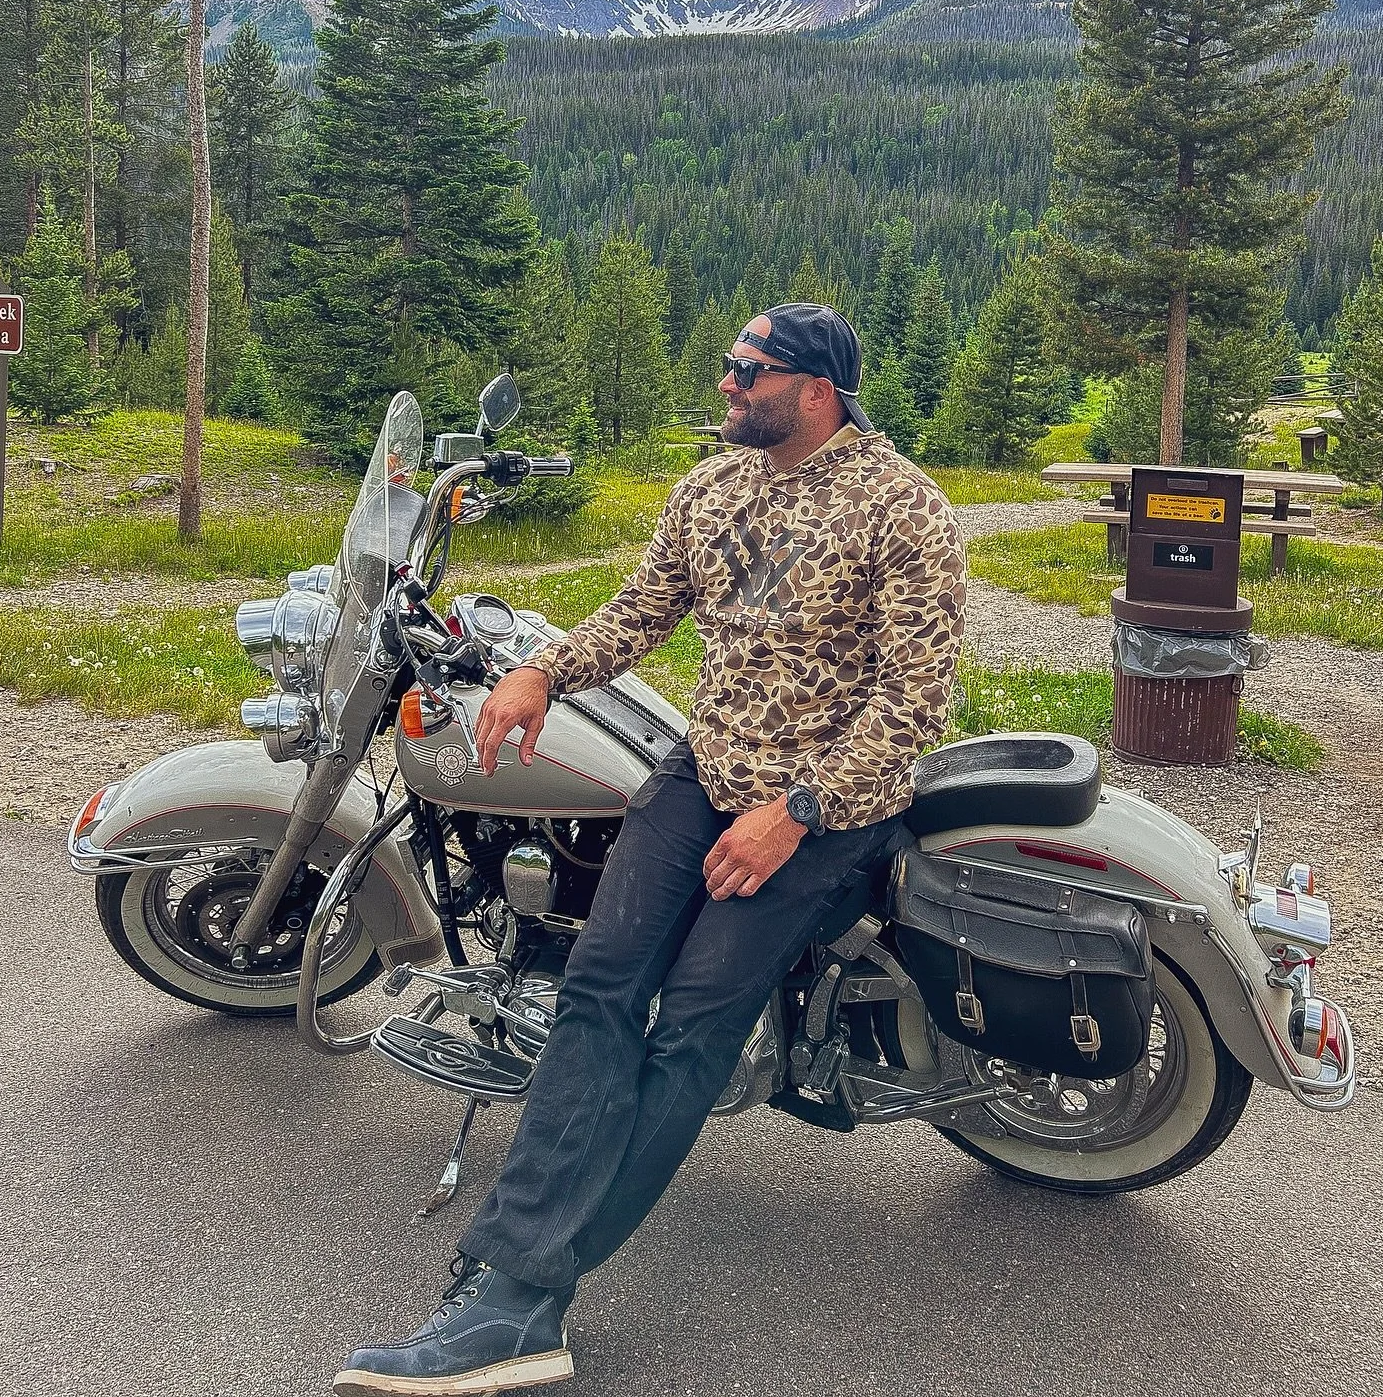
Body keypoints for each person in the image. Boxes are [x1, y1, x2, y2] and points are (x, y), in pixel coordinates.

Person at [336, 303, 967, 1396]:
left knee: (690, 1030)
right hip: (703, 771)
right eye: (728, 364)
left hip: (825, 806)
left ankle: (517, 1297)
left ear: (814, 390)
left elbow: (913, 710)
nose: (726, 383)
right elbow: (645, 607)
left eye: (747, 370)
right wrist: (546, 668)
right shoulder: (714, 487)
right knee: (596, 993)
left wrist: (798, 814)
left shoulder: (901, 508)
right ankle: (514, 1284)